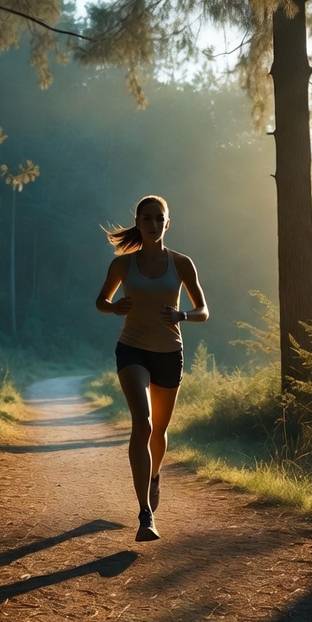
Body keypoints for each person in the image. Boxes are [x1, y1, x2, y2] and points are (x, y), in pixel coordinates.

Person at [95, 195, 209, 542]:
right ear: (138, 222)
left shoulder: (182, 263)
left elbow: (203, 309)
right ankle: (145, 515)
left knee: (159, 430)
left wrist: (182, 315)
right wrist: (115, 309)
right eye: (147, 219)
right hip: (132, 349)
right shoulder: (122, 266)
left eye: (160, 219)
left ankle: (155, 472)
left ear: (167, 224)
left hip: (169, 353)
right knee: (142, 423)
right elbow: (101, 302)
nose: (154, 225)